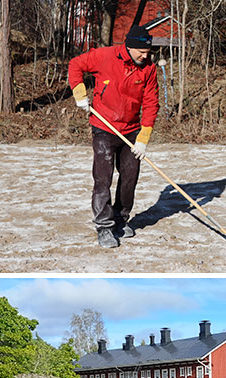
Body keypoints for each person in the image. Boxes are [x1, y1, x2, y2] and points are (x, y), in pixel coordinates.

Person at [68, 25, 160, 248]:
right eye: (141, 52)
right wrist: (80, 93)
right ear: (129, 46)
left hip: (131, 129)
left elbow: (150, 103)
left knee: (130, 177)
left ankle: (121, 219)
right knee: (103, 178)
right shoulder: (105, 56)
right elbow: (75, 65)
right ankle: (104, 226)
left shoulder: (148, 69)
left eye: (148, 52)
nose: (145, 56)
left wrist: (143, 138)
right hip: (103, 126)